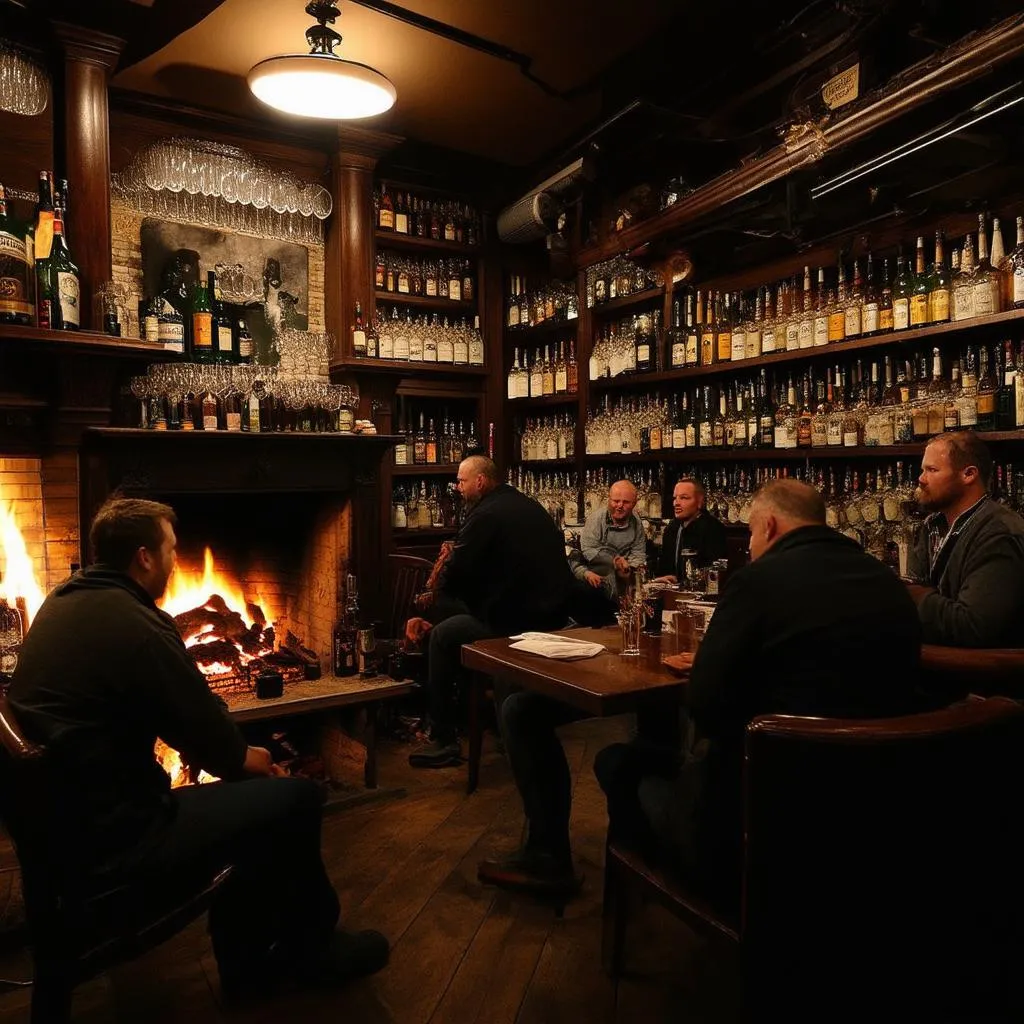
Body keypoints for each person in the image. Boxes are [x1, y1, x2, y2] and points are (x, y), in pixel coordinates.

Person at [7, 498, 388, 999]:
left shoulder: (63, 603)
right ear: (144, 556)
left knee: (260, 804)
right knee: (294, 798)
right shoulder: (137, 625)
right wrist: (258, 760)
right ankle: (309, 950)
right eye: (170, 548)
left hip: (69, 828)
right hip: (120, 842)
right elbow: (213, 747)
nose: (172, 558)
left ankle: (248, 964)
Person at [595, 479, 923, 907]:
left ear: (768, 526)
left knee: (617, 761)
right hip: (872, 814)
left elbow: (704, 707)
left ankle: (673, 894)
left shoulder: (756, 582)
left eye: (750, 532)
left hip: (763, 815)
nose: (749, 544)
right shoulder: (887, 582)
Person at [405, 456, 573, 768]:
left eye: (462, 481)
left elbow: (455, 575)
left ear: (480, 481)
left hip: (516, 623)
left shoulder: (485, 514)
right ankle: (482, 721)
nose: (458, 487)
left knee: (441, 635)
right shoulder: (525, 504)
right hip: (553, 616)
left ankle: (444, 738)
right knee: (451, 617)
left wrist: (436, 603)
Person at [905, 430, 1024, 647]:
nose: (921, 479)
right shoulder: (931, 526)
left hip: (984, 675)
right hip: (934, 667)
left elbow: (973, 627)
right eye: (923, 470)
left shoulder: (999, 533)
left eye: (932, 470)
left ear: (968, 474)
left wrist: (913, 594)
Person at [569, 479, 647, 599]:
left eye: (626, 502)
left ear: (634, 503)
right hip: (597, 583)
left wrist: (628, 569)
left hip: (625, 583)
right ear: (608, 500)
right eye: (616, 501)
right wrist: (614, 561)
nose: (620, 506)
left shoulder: (636, 523)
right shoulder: (596, 520)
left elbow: (638, 553)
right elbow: (588, 550)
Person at [654, 478, 729, 582]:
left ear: (699, 502)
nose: (676, 503)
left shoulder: (713, 528)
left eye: (684, 498)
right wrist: (662, 579)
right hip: (672, 592)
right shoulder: (671, 528)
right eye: (675, 498)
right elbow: (664, 568)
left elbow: (717, 571)